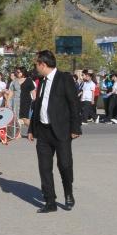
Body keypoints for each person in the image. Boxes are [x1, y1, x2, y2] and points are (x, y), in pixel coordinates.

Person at [28, 50, 82, 213]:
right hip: (43, 131)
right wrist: (32, 128)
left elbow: (74, 104)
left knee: (65, 164)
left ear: (43, 64)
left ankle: (68, 192)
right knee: (44, 167)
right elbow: (37, 106)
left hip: (62, 131)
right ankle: (50, 201)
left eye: (37, 64)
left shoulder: (64, 79)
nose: (36, 67)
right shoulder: (41, 81)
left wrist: (75, 127)